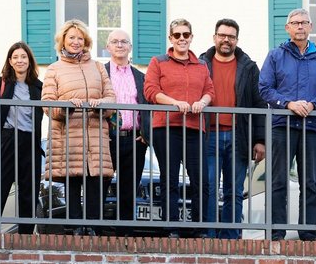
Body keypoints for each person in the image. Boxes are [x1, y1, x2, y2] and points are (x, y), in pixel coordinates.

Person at [259, 8, 316, 241]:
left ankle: (308, 232)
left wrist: (313, 104)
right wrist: (288, 103)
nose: (300, 26)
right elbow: (264, 88)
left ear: (311, 27)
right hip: (281, 125)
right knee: (278, 181)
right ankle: (276, 232)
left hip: (311, 126)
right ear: (288, 28)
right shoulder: (275, 55)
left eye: (304, 22)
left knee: (310, 182)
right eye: (295, 23)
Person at [42, 19, 116, 237]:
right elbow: (47, 104)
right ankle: (74, 227)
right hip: (68, 135)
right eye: (71, 37)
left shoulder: (98, 67)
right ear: (63, 40)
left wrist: (101, 105)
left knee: (95, 180)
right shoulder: (54, 69)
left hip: (95, 135)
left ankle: (92, 227)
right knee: (72, 181)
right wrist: (66, 108)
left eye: (80, 38)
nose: (76, 42)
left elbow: (111, 97)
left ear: (86, 42)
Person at [144, 18, 215, 238]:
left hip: (194, 128)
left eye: (186, 35)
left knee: (200, 180)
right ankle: (171, 227)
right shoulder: (158, 62)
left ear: (192, 37)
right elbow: (150, 90)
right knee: (170, 179)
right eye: (177, 35)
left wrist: (203, 102)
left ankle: (198, 228)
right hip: (166, 127)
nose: (182, 39)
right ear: (171, 38)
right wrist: (175, 103)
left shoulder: (201, 65)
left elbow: (209, 91)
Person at [199, 18, 266, 239]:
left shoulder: (248, 67)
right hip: (208, 136)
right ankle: (207, 236)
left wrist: (260, 140)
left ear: (237, 40)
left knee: (234, 192)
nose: (226, 40)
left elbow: (259, 104)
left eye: (231, 36)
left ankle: (230, 238)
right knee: (207, 190)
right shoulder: (201, 64)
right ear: (214, 37)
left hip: (238, 137)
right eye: (222, 35)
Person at [0, 42, 44, 234]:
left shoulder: (38, 87)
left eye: (23, 57)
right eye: (15, 57)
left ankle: (25, 236)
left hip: (30, 142)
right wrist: (1, 138)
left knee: (28, 192)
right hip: (8, 138)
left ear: (29, 61)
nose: (20, 60)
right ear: (10, 61)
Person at [104, 29, 151, 236]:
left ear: (130, 47)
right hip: (106, 138)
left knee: (129, 189)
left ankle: (125, 234)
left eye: (124, 41)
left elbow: (148, 105)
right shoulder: (100, 72)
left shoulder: (141, 77)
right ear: (108, 47)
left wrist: (146, 134)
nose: (120, 45)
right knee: (100, 186)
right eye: (115, 41)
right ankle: (97, 232)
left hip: (134, 139)